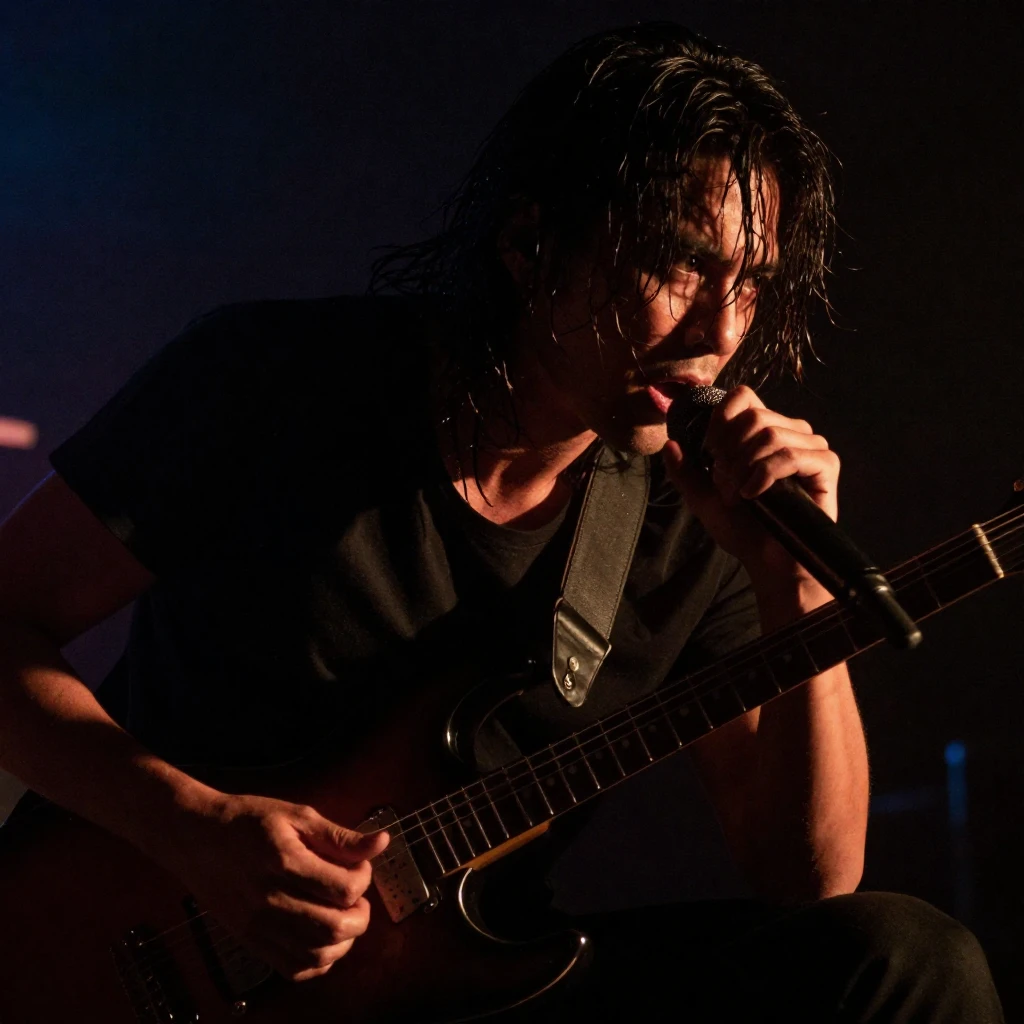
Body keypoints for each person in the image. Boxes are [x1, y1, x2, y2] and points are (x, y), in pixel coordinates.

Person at [0, 21, 1004, 1021]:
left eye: (749, 285)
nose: (719, 332)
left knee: (906, 960)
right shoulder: (273, 381)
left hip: (472, 987)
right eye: (680, 266)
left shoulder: (699, 515)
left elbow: (811, 878)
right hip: (139, 959)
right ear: (532, 244)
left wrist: (797, 583)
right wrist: (188, 824)